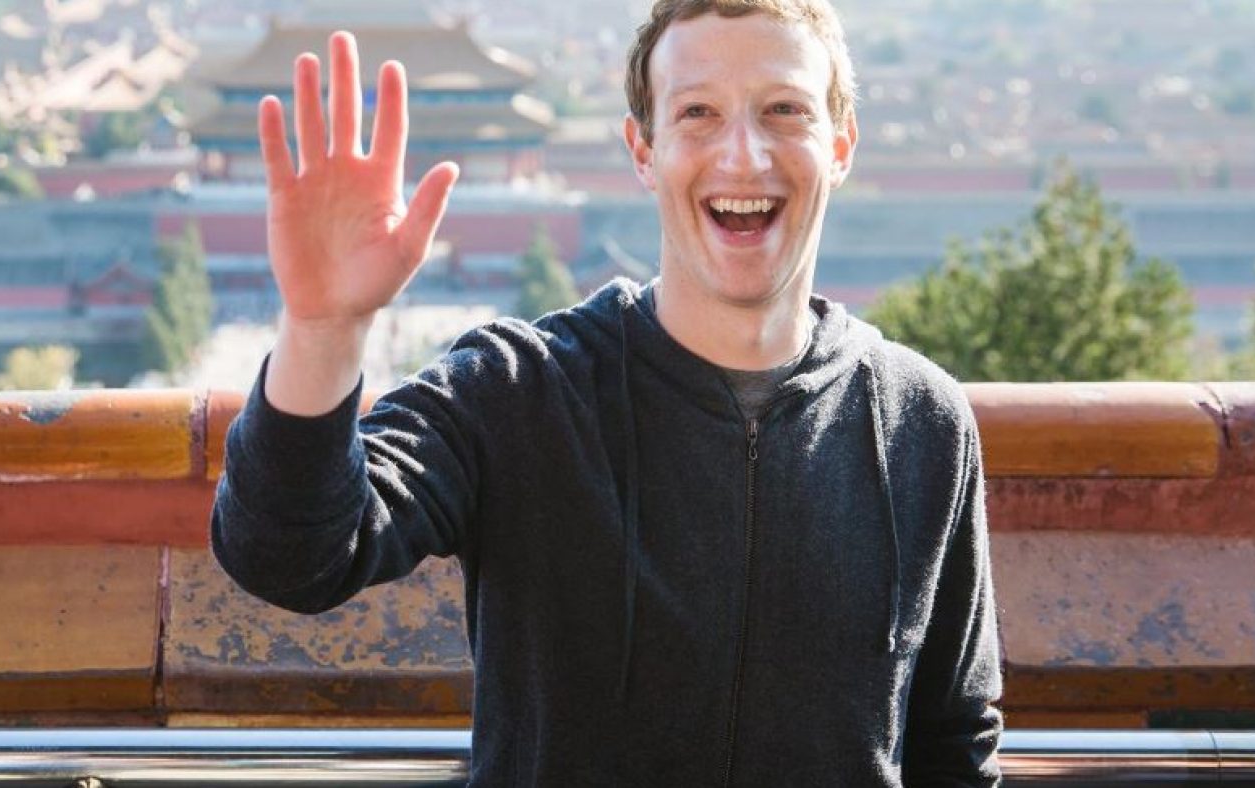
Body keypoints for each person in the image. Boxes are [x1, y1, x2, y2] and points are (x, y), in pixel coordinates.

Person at [211, 0, 1004, 784]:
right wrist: (322, 330)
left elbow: (954, 744)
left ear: (840, 146)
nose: (744, 155)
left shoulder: (921, 422)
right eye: (697, 113)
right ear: (643, 151)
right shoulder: (519, 392)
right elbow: (291, 556)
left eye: (784, 111)